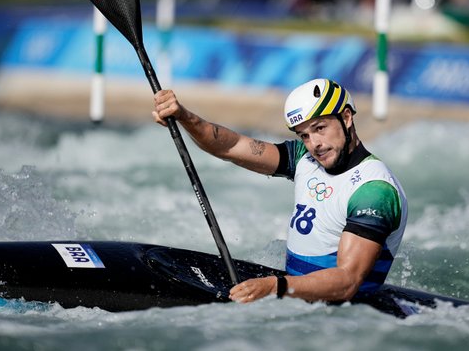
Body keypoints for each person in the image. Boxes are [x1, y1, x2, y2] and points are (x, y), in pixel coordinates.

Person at [153, 79, 407, 303]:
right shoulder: (303, 159)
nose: (314, 144)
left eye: (320, 128)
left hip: (342, 319)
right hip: (296, 298)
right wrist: (185, 117)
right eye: (304, 135)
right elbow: (231, 146)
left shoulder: (374, 190)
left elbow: (347, 281)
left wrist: (274, 287)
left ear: (347, 117)